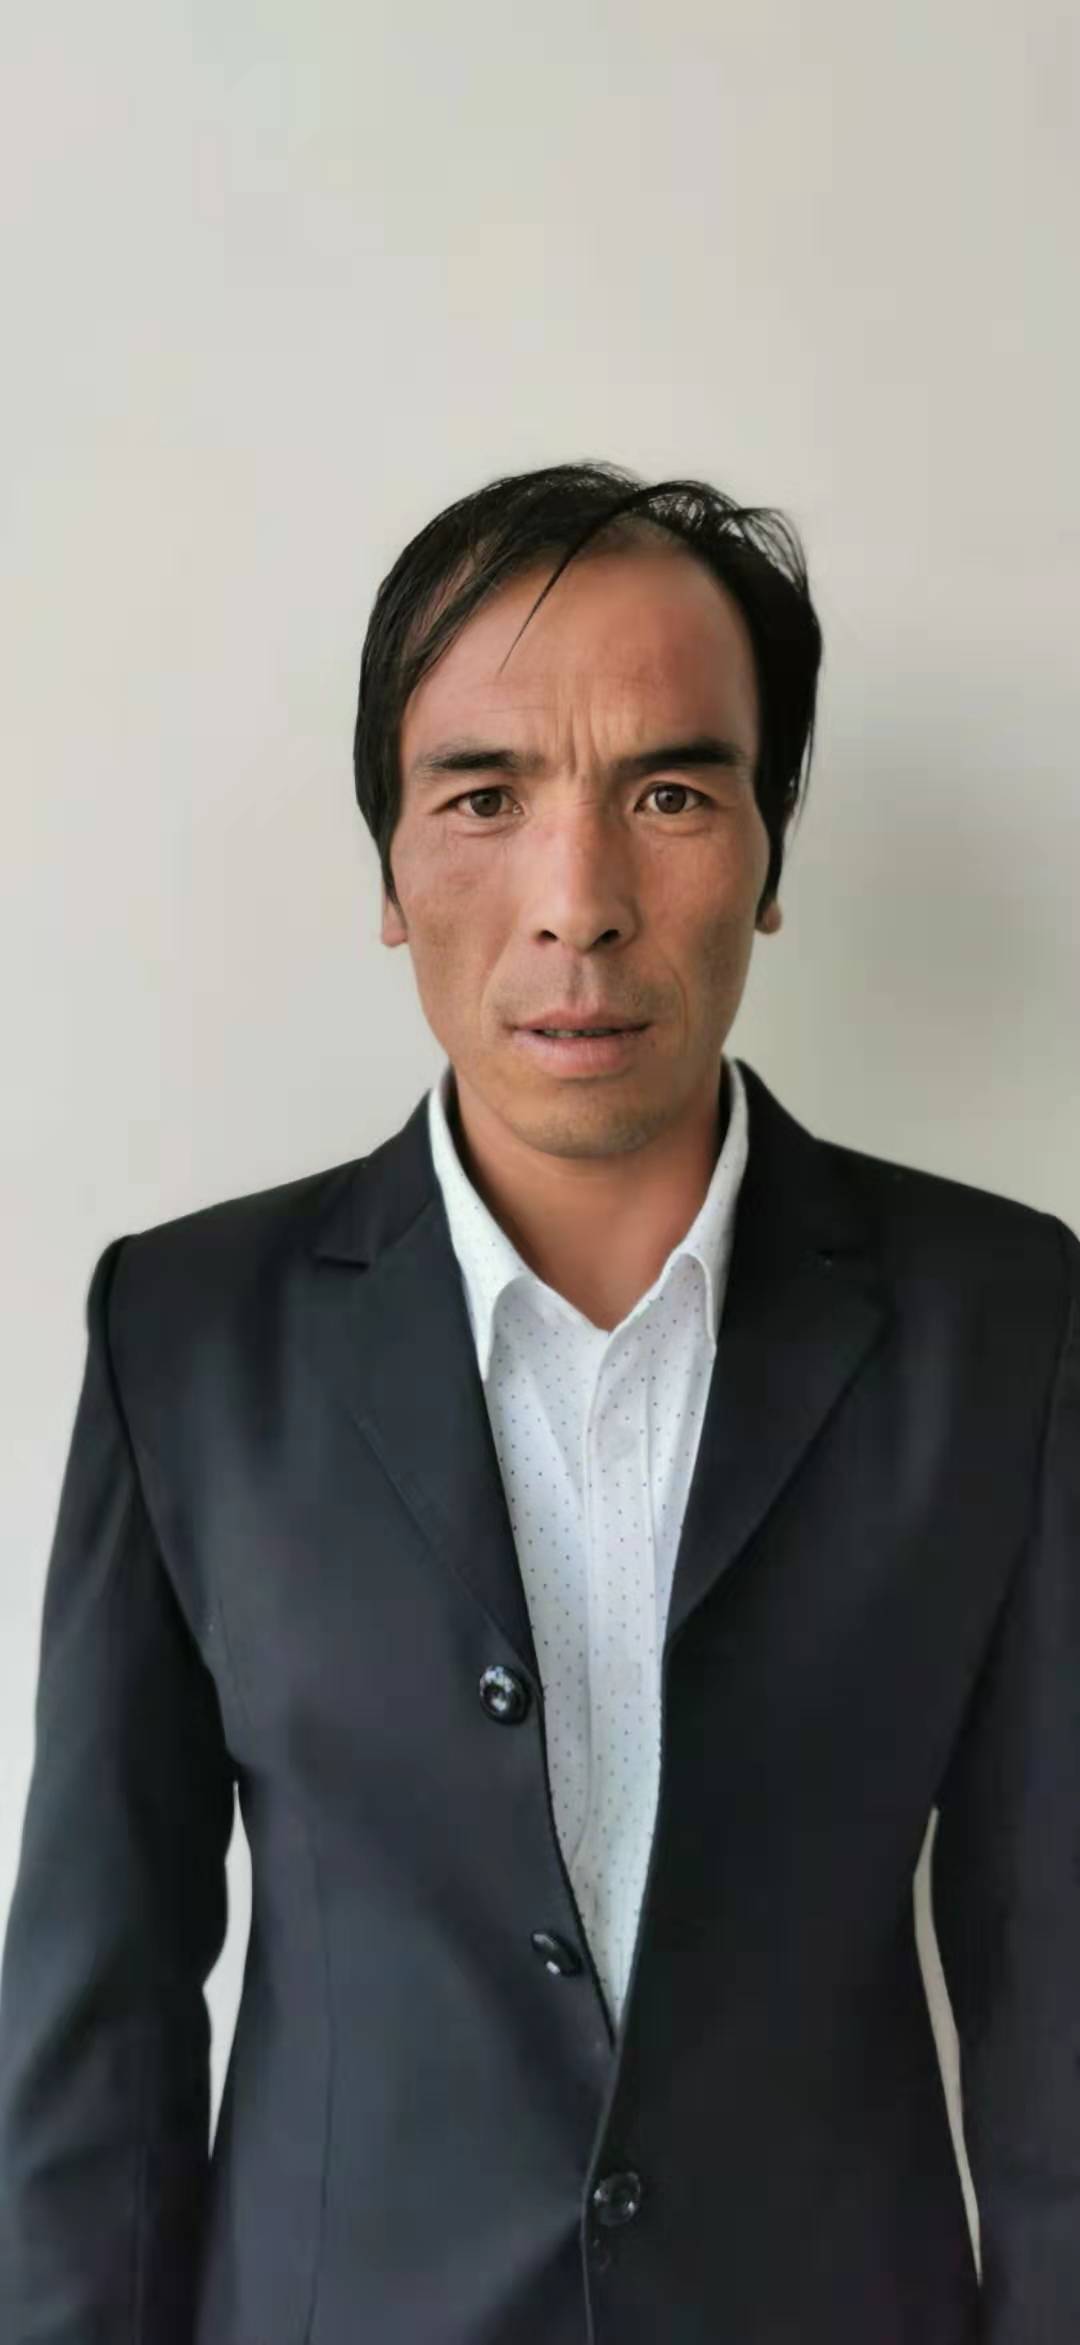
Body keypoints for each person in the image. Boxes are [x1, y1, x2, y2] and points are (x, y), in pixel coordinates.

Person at [0, 459, 1077, 2345]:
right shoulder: (187, 1335)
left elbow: (1059, 1996)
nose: (577, 904)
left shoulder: (1001, 1320)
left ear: (770, 849)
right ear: (389, 869)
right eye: (484, 797)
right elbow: (98, 2037)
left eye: (670, 793)